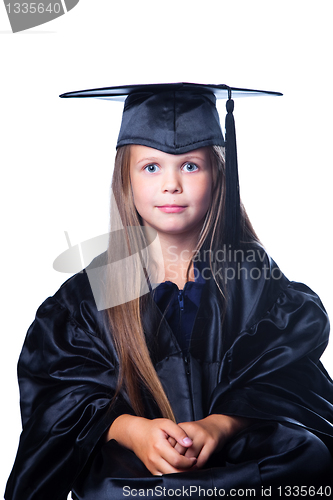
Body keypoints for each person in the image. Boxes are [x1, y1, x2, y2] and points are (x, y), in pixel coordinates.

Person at [5, 83, 333, 500]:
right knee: (111, 489)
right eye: (152, 167)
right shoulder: (93, 293)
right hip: (138, 474)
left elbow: (291, 379)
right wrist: (132, 431)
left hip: (241, 461)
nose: (172, 184)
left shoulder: (251, 276)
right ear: (125, 177)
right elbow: (60, 395)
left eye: (191, 166)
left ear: (219, 175)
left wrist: (221, 425)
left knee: (310, 460)